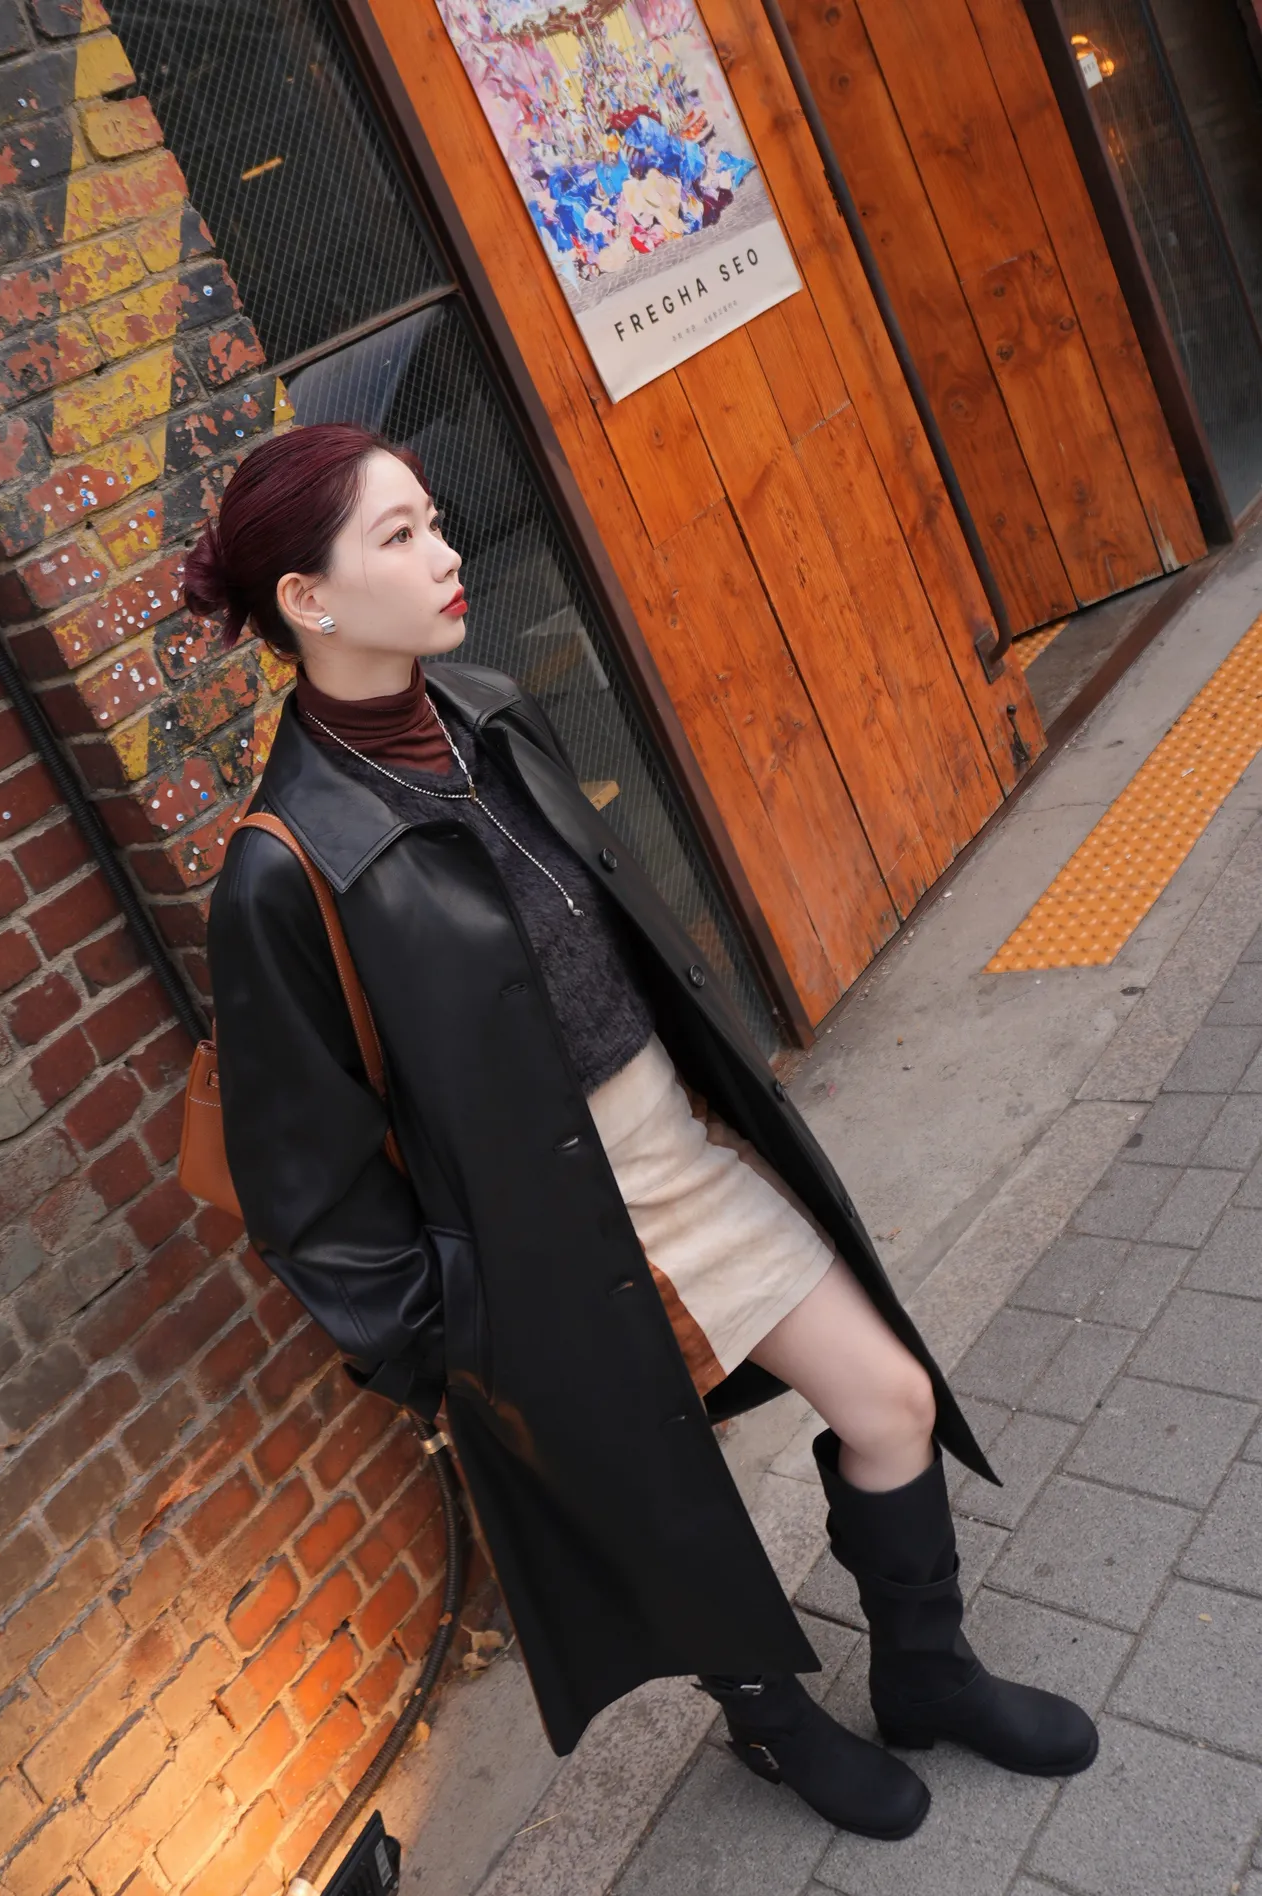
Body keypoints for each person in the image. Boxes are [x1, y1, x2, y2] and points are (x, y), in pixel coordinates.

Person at [195, 422, 1097, 1843]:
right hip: (543, 1248)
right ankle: (774, 1725)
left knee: (891, 1402)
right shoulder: (283, 867)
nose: (446, 555)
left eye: (436, 520)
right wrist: (453, 1339)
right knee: (672, 1520)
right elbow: (303, 1188)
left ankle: (925, 1672)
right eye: (399, 537)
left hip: (676, 1154)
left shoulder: (487, 709)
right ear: (307, 600)